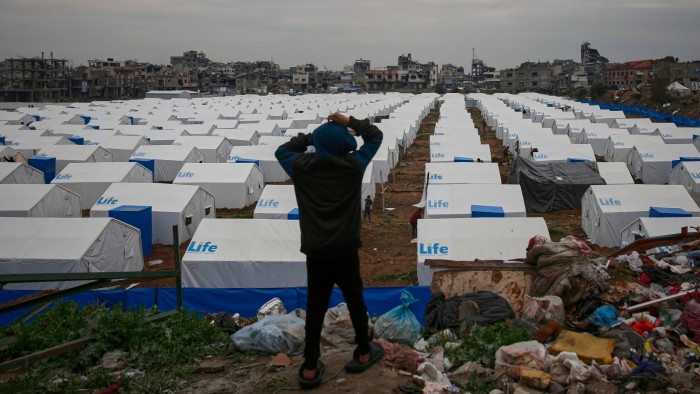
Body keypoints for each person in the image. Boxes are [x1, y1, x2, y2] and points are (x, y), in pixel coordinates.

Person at [275, 112, 384, 390]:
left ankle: (310, 367)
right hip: (346, 249)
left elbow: (282, 150)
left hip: (316, 251)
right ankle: (363, 351)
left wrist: (311, 137)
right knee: (355, 300)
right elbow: (375, 136)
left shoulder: (302, 166)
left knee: (315, 307)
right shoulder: (353, 164)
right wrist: (349, 121)